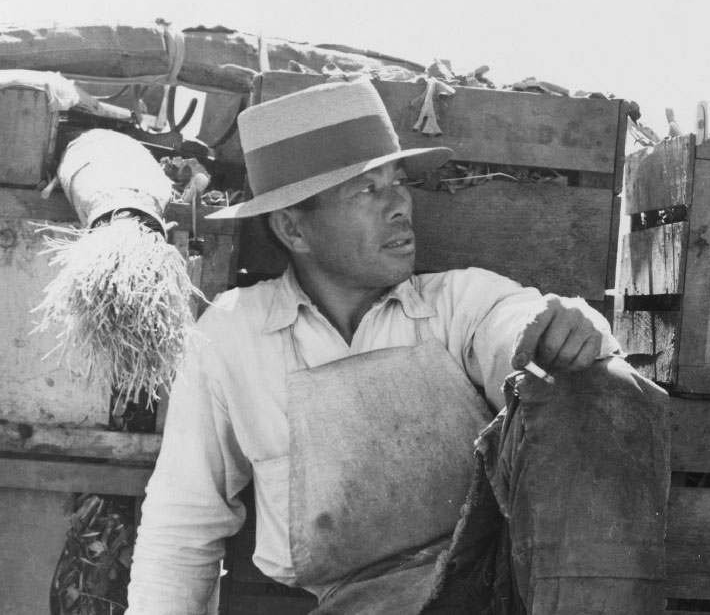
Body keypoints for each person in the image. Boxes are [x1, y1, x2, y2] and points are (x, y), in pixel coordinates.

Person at [126, 78, 668, 615]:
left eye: (399, 182)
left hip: (500, 588)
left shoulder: (455, 302)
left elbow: (513, 324)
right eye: (366, 190)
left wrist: (561, 327)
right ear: (293, 229)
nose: (399, 205)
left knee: (601, 386)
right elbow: (183, 523)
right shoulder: (233, 334)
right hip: (358, 605)